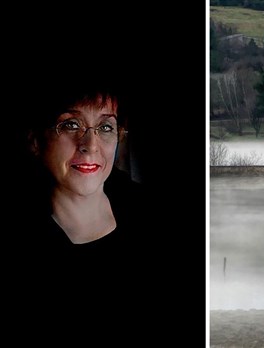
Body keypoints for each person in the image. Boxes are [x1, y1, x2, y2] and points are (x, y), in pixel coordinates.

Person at [6, 74, 179, 345]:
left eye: (105, 127)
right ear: (35, 141)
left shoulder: (157, 217)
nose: (90, 145)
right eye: (70, 124)